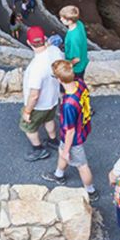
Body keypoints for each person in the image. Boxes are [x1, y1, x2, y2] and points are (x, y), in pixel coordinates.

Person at [41, 60, 98, 200]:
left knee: (82, 165)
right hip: (82, 127)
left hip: (74, 138)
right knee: (62, 151)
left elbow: (70, 131)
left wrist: (67, 151)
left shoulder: (68, 105)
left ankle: (91, 191)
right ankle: (58, 175)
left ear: (59, 79)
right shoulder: (80, 84)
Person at [20, 26, 65, 161]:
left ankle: (38, 149)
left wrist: (27, 111)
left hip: (39, 105)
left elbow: (34, 95)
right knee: (49, 119)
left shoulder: (36, 67)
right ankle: (53, 140)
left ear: (29, 42)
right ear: (44, 38)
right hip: (52, 99)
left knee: (28, 127)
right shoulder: (55, 51)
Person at [59, 5, 89, 81]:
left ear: (70, 21)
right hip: (83, 61)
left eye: (63, 18)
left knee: (74, 85)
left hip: (76, 69)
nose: (61, 19)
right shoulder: (79, 23)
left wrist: (65, 67)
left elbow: (76, 59)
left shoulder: (73, 38)